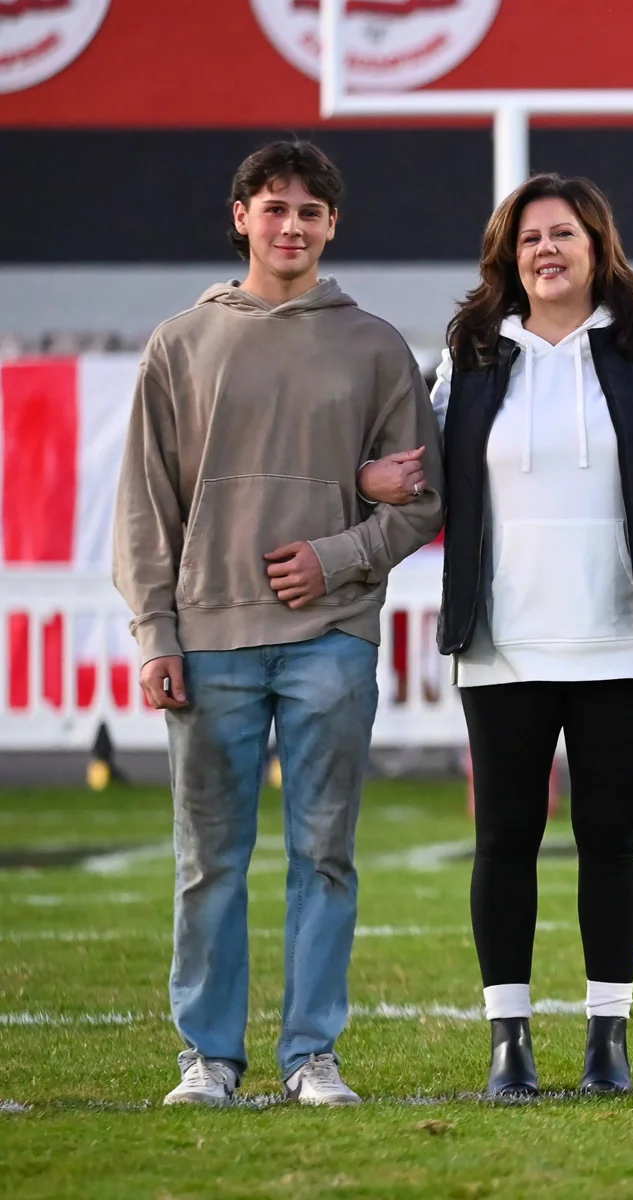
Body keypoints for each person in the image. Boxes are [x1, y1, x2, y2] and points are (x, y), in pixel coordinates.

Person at [359, 174, 633, 1099]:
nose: (546, 251)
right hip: (500, 640)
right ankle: (507, 1043)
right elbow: (432, 480)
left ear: (598, 247)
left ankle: (608, 1039)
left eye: (563, 234)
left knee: (610, 838)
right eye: (528, 240)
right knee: (506, 838)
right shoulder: (470, 356)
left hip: (618, 637)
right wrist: (380, 484)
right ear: (507, 258)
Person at [114, 140, 445, 1107]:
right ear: (241, 217)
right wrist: (155, 634)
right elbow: (145, 507)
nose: (290, 225)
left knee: (324, 853)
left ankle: (312, 1056)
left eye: (309, 211)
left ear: (331, 225)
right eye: (273, 208)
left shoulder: (376, 344)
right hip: (207, 638)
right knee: (207, 860)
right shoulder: (181, 342)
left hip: (330, 638)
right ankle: (209, 1059)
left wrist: (336, 556)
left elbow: (422, 501)